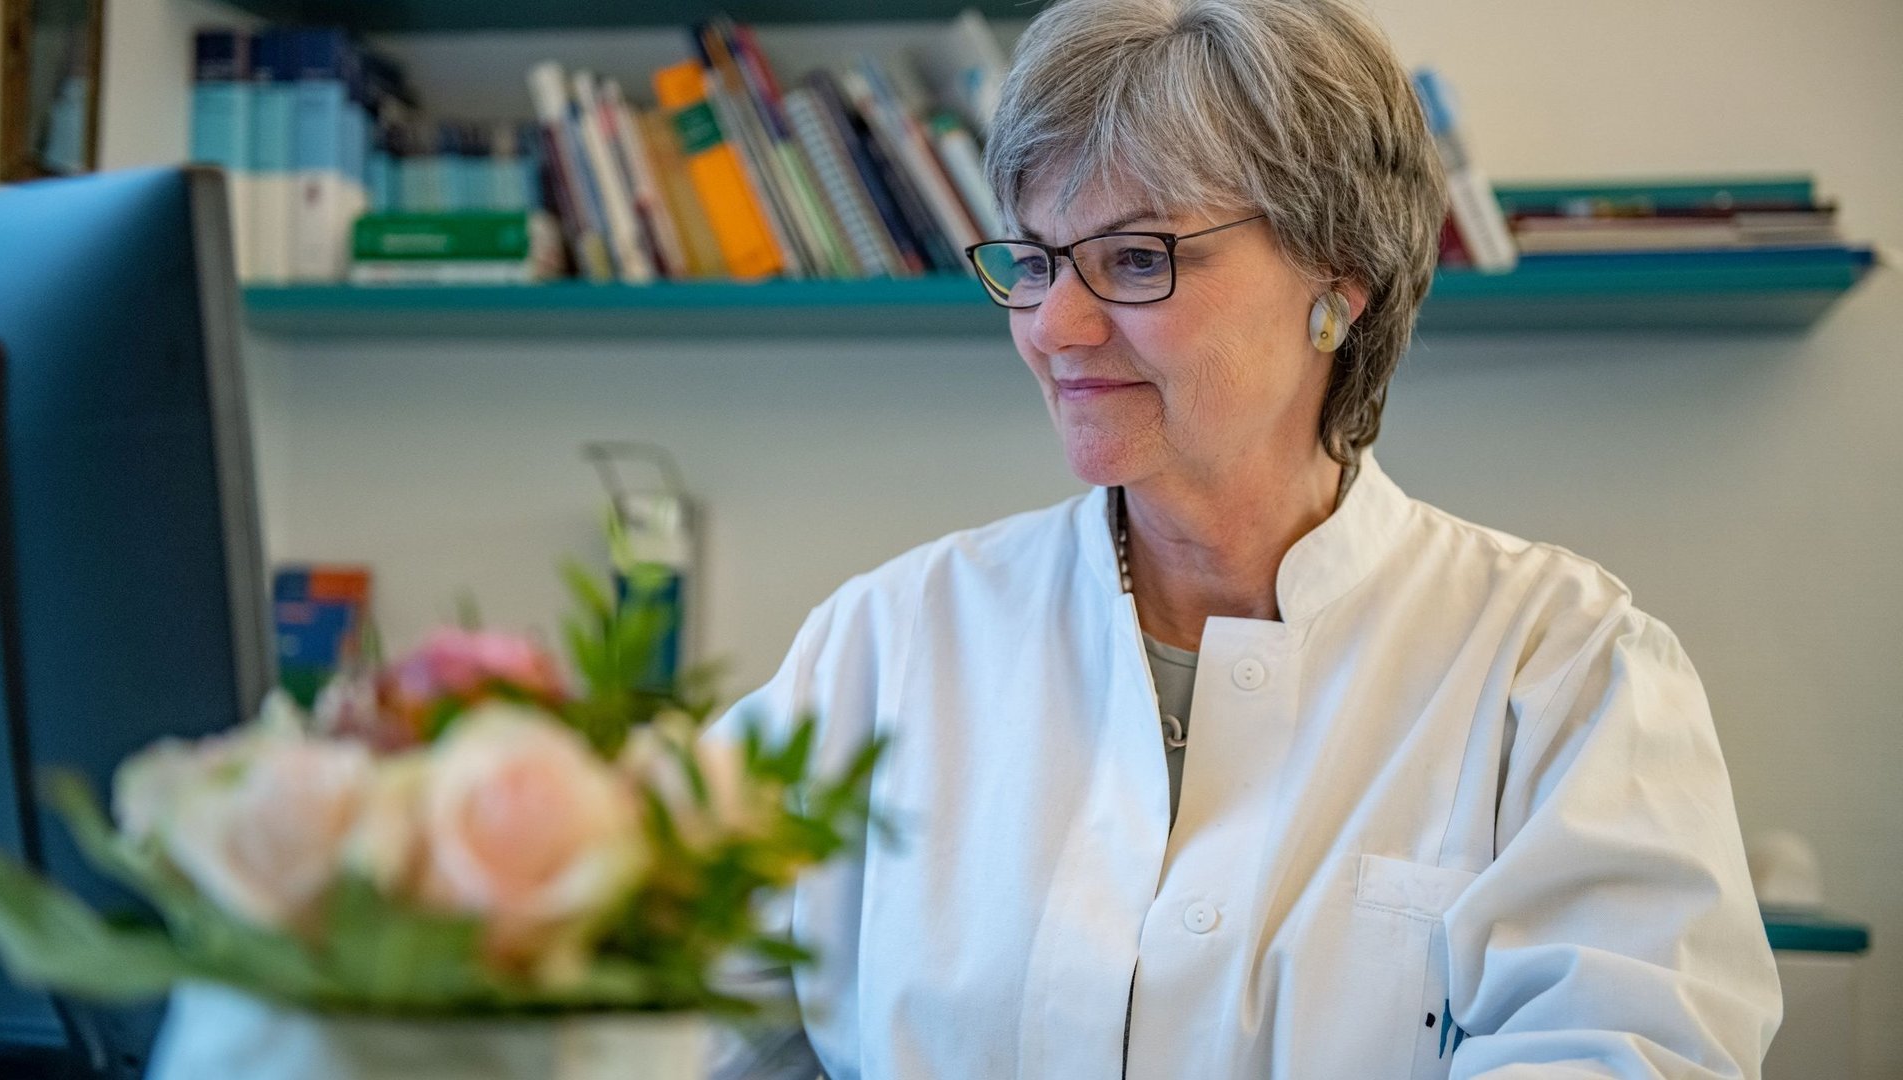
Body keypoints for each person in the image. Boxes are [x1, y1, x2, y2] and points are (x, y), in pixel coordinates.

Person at [717, 0, 1781, 1076]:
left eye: (1136, 259)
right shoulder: (889, 642)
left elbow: (1625, 1050)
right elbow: (671, 1012)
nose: (1054, 326)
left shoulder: (1557, 669)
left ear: (1340, 282)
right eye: (1035, 262)